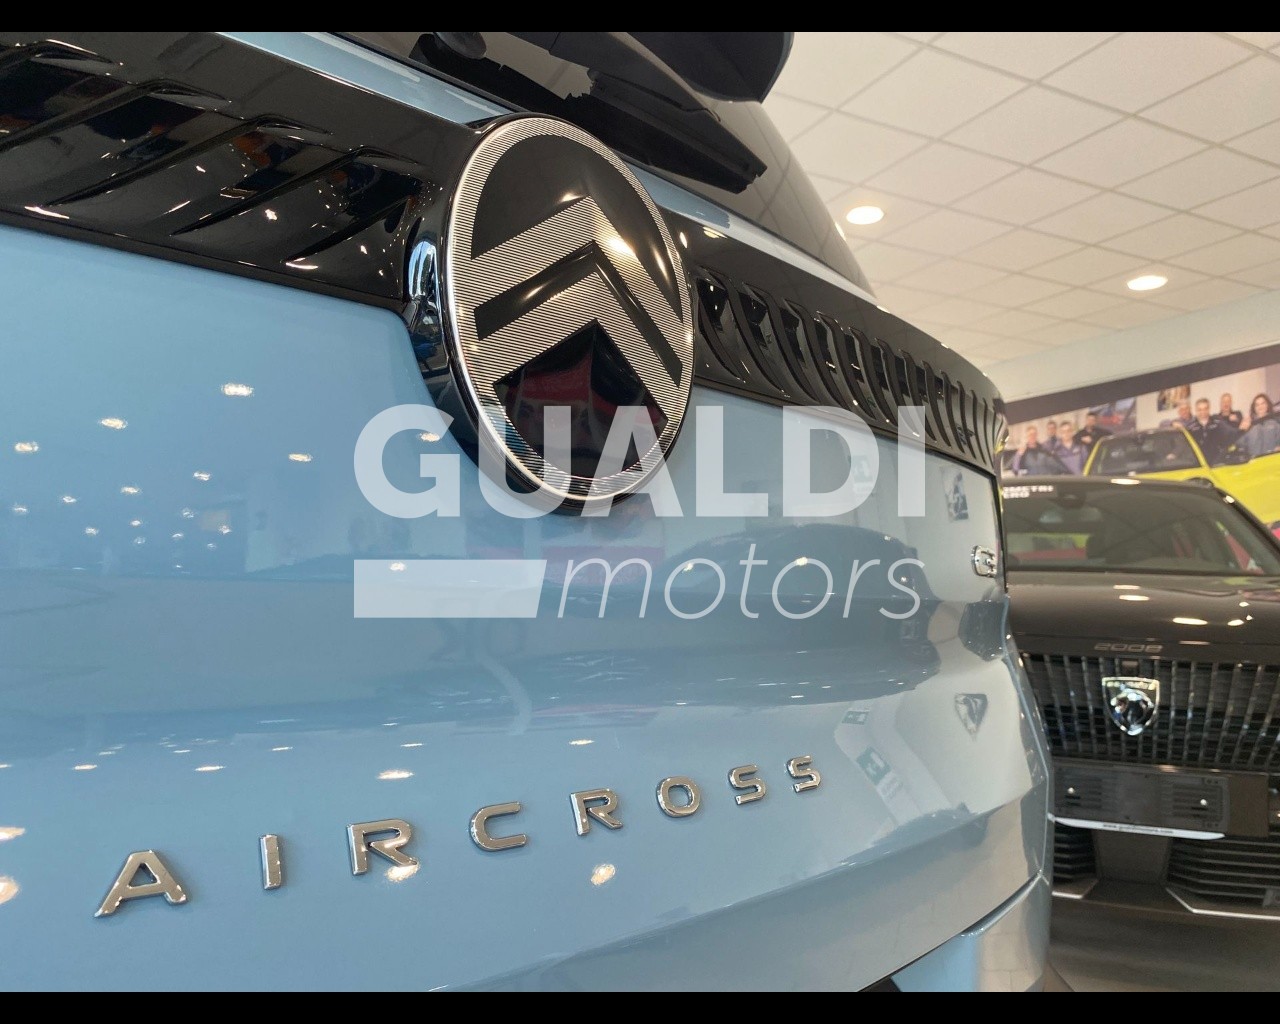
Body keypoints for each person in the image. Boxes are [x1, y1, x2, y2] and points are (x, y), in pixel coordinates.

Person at [1189, 397, 1239, 464]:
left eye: (1205, 409)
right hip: (1198, 463)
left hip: (1217, 461)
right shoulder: (1191, 427)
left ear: (1209, 409)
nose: (1203, 412)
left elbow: (1231, 433)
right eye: (1199, 410)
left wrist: (1241, 429)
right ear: (1196, 410)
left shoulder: (1217, 423)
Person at [1238, 393, 1280, 459]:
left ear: (1267, 405)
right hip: (1254, 462)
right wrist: (1240, 430)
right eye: (1257, 405)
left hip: (1272, 461)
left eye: (1263, 403)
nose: (1260, 407)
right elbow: (1240, 445)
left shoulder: (1276, 423)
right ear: (1254, 408)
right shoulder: (1249, 425)